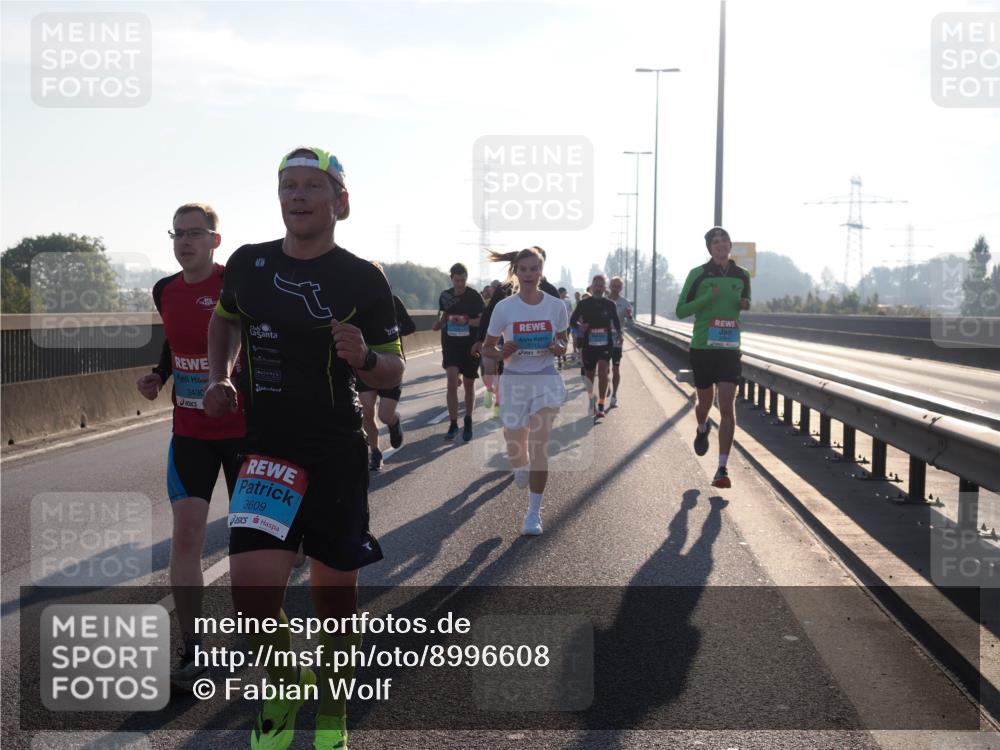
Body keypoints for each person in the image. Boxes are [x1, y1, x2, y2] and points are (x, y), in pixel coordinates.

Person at [204, 147, 404, 750]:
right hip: (265, 450)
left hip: (335, 450)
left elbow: (391, 372)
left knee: (334, 602)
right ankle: (286, 685)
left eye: (312, 186)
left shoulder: (361, 277)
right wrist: (219, 375)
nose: (297, 195)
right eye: (288, 185)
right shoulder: (248, 263)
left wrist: (365, 357)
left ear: (339, 201)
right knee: (252, 599)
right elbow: (224, 318)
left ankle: (335, 707)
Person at [136, 203, 246, 692]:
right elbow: (173, 342)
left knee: (251, 544)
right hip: (190, 434)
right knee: (186, 537)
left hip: (244, 432)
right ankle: (192, 647)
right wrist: (160, 375)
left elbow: (255, 340)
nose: (184, 242)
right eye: (177, 234)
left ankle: (257, 639)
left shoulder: (235, 283)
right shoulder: (165, 290)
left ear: (214, 240)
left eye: (195, 233)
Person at [483, 248, 568, 535]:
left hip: (545, 380)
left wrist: (558, 349)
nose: (529, 274)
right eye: (524, 269)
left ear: (541, 272)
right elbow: (487, 348)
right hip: (514, 381)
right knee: (516, 446)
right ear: (516, 272)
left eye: (534, 269)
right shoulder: (504, 307)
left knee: (539, 447)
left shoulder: (556, 306)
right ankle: (521, 467)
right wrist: (500, 351)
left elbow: (563, 343)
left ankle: (533, 515)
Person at [675, 226, 751, 489]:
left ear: (730, 245)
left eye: (724, 240)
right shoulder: (698, 274)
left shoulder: (742, 275)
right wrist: (707, 297)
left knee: (728, 406)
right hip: (703, 348)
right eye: (716, 242)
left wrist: (744, 304)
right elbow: (681, 310)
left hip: (729, 349)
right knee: (704, 403)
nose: (721, 244)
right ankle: (702, 426)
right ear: (709, 248)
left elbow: (745, 301)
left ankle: (721, 468)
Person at [358, 261, 414, 471]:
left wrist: (390, 330)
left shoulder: (393, 302)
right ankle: (375, 452)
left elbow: (411, 326)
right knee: (366, 410)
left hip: (390, 364)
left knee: (384, 415)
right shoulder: (359, 303)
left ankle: (394, 421)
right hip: (365, 364)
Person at [433, 263, 484, 441]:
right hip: (450, 344)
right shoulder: (445, 296)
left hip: (470, 345)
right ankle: (453, 423)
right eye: (457, 280)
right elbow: (444, 314)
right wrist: (440, 323)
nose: (460, 284)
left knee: (469, 384)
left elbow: (481, 322)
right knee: (451, 381)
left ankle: (468, 420)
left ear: (466, 279)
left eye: (463, 280)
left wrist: (464, 321)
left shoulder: (475, 297)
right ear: (451, 279)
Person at [569, 276, 620, 421]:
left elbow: (616, 322)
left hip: (605, 343)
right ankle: (592, 400)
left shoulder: (610, 304)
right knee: (589, 375)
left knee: (603, 370)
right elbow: (572, 321)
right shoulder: (583, 304)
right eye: (596, 285)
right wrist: (580, 327)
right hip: (588, 344)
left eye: (601, 285)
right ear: (591, 287)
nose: (598, 288)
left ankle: (601, 404)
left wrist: (620, 334)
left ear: (605, 288)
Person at [607, 276, 633, 408]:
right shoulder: (603, 301)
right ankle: (606, 384)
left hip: (617, 339)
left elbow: (630, 322)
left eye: (618, 286)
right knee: (604, 368)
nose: (616, 288)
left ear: (621, 288)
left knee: (615, 368)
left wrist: (629, 316)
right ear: (610, 286)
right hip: (603, 339)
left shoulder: (625, 303)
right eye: (614, 285)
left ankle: (614, 395)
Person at [557, 287, 574, 369]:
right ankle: (560, 359)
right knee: (558, 342)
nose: (565, 294)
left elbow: (571, 312)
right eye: (564, 292)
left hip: (567, 325)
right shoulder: (556, 302)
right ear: (561, 292)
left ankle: (564, 358)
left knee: (565, 341)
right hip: (558, 325)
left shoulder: (568, 301)